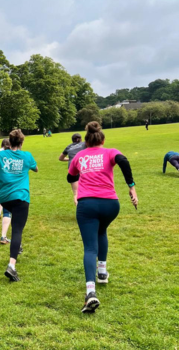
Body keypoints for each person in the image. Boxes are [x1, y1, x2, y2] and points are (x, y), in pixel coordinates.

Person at [67, 121, 138, 313]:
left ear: (86, 141)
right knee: (102, 230)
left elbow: (70, 176)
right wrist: (131, 187)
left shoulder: (80, 155)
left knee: (90, 247)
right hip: (110, 205)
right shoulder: (109, 152)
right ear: (102, 139)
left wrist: (81, 176)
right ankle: (102, 272)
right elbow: (123, 160)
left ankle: (90, 292)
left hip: (87, 205)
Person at [0, 129, 38, 282]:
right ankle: (12, 266)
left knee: (11, 215)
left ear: (9, 142)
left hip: (4, 198)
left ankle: (17, 244)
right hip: (21, 197)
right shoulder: (26, 156)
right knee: (17, 230)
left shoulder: (1, 155)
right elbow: (36, 169)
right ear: (21, 142)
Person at [59, 133, 86, 200]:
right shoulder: (85, 144)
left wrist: (70, 159)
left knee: (76, 193)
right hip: (83, 167)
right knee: (87, 190)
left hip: (72, 168)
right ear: (81, 139)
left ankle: (79, 208)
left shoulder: (69, 147)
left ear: (72, 140)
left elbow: (60, 158)